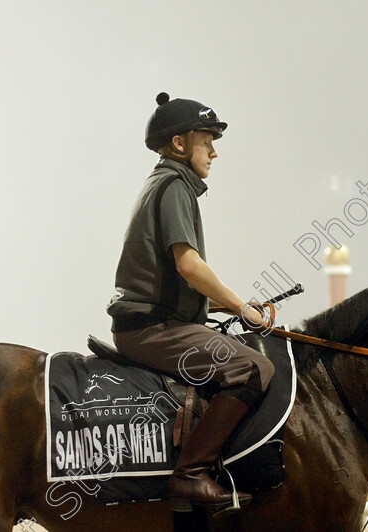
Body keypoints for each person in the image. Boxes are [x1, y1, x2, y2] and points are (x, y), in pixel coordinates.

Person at [106, 92, 275, 513]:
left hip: (156, 320)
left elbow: (170, 276)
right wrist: (242, 309)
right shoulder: (175, 185)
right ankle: (190, 474)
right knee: (253, 366)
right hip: (147, 330)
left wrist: (211, 307)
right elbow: (190, 266)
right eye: (207, 140)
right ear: (180, 143)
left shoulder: (166, 183)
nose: (214, 152)